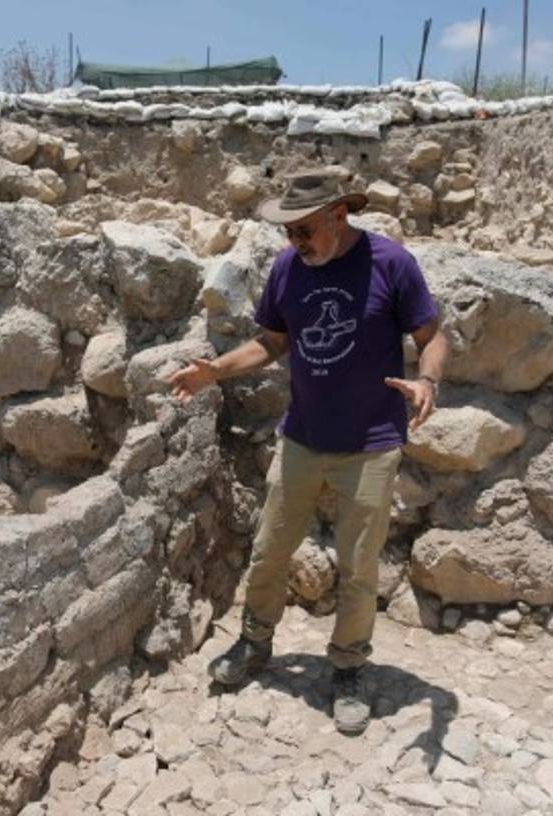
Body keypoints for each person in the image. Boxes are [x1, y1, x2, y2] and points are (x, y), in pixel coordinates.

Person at [167, 168, 449, 735]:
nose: (295, 240)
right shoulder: (287, 268)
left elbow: (432, 336)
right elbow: (272, 342)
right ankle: (254, 642)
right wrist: (215, 371)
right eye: (288, 230)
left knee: (358, 566)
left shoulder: (390, 263)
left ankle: (348, 667)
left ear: (338, 215)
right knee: (269, 549)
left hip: (371, 444)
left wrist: (428, 381)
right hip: (302, 436)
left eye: (304, 229)